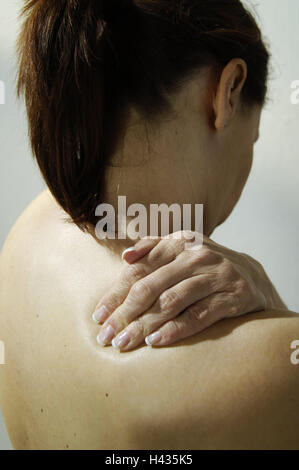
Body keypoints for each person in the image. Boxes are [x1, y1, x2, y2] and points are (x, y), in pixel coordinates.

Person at [0, 0, 298, 450]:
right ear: (229, 92)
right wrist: (275, 306)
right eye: (249, 140)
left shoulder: (26, 237)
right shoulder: (278, 366)